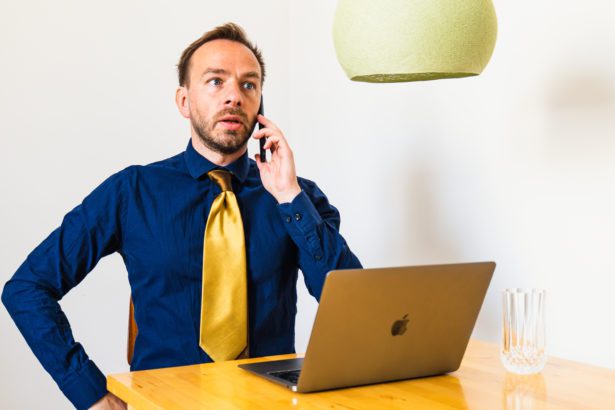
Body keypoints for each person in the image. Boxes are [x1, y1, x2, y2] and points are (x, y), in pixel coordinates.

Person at [1, 23, 362, 409]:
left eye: (248, 85)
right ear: (184, 101)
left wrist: (290, 197)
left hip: (269, 403)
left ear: (260, 107)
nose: (234, 98)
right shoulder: (132, 191)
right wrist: (90, 393)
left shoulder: (297, 196)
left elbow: (356, 309)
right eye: (215, 82)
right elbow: (26, 288)